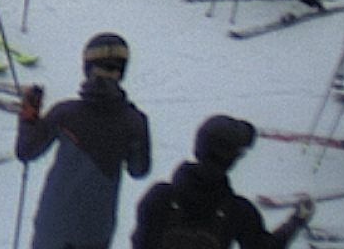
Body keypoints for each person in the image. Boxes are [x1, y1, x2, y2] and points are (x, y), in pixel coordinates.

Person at [16, 32, 152, 249]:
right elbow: (139, 169)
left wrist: (29, 118)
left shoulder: (65, 113)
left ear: (87, 69)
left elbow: (26, 151)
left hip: (53, 225)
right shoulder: (133, 121)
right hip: (96, 229)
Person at [130, 115, 313, 249]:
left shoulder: (158, 197)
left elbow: (141, 243)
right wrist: (296, 221)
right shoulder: (237, 211)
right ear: (231, 160)